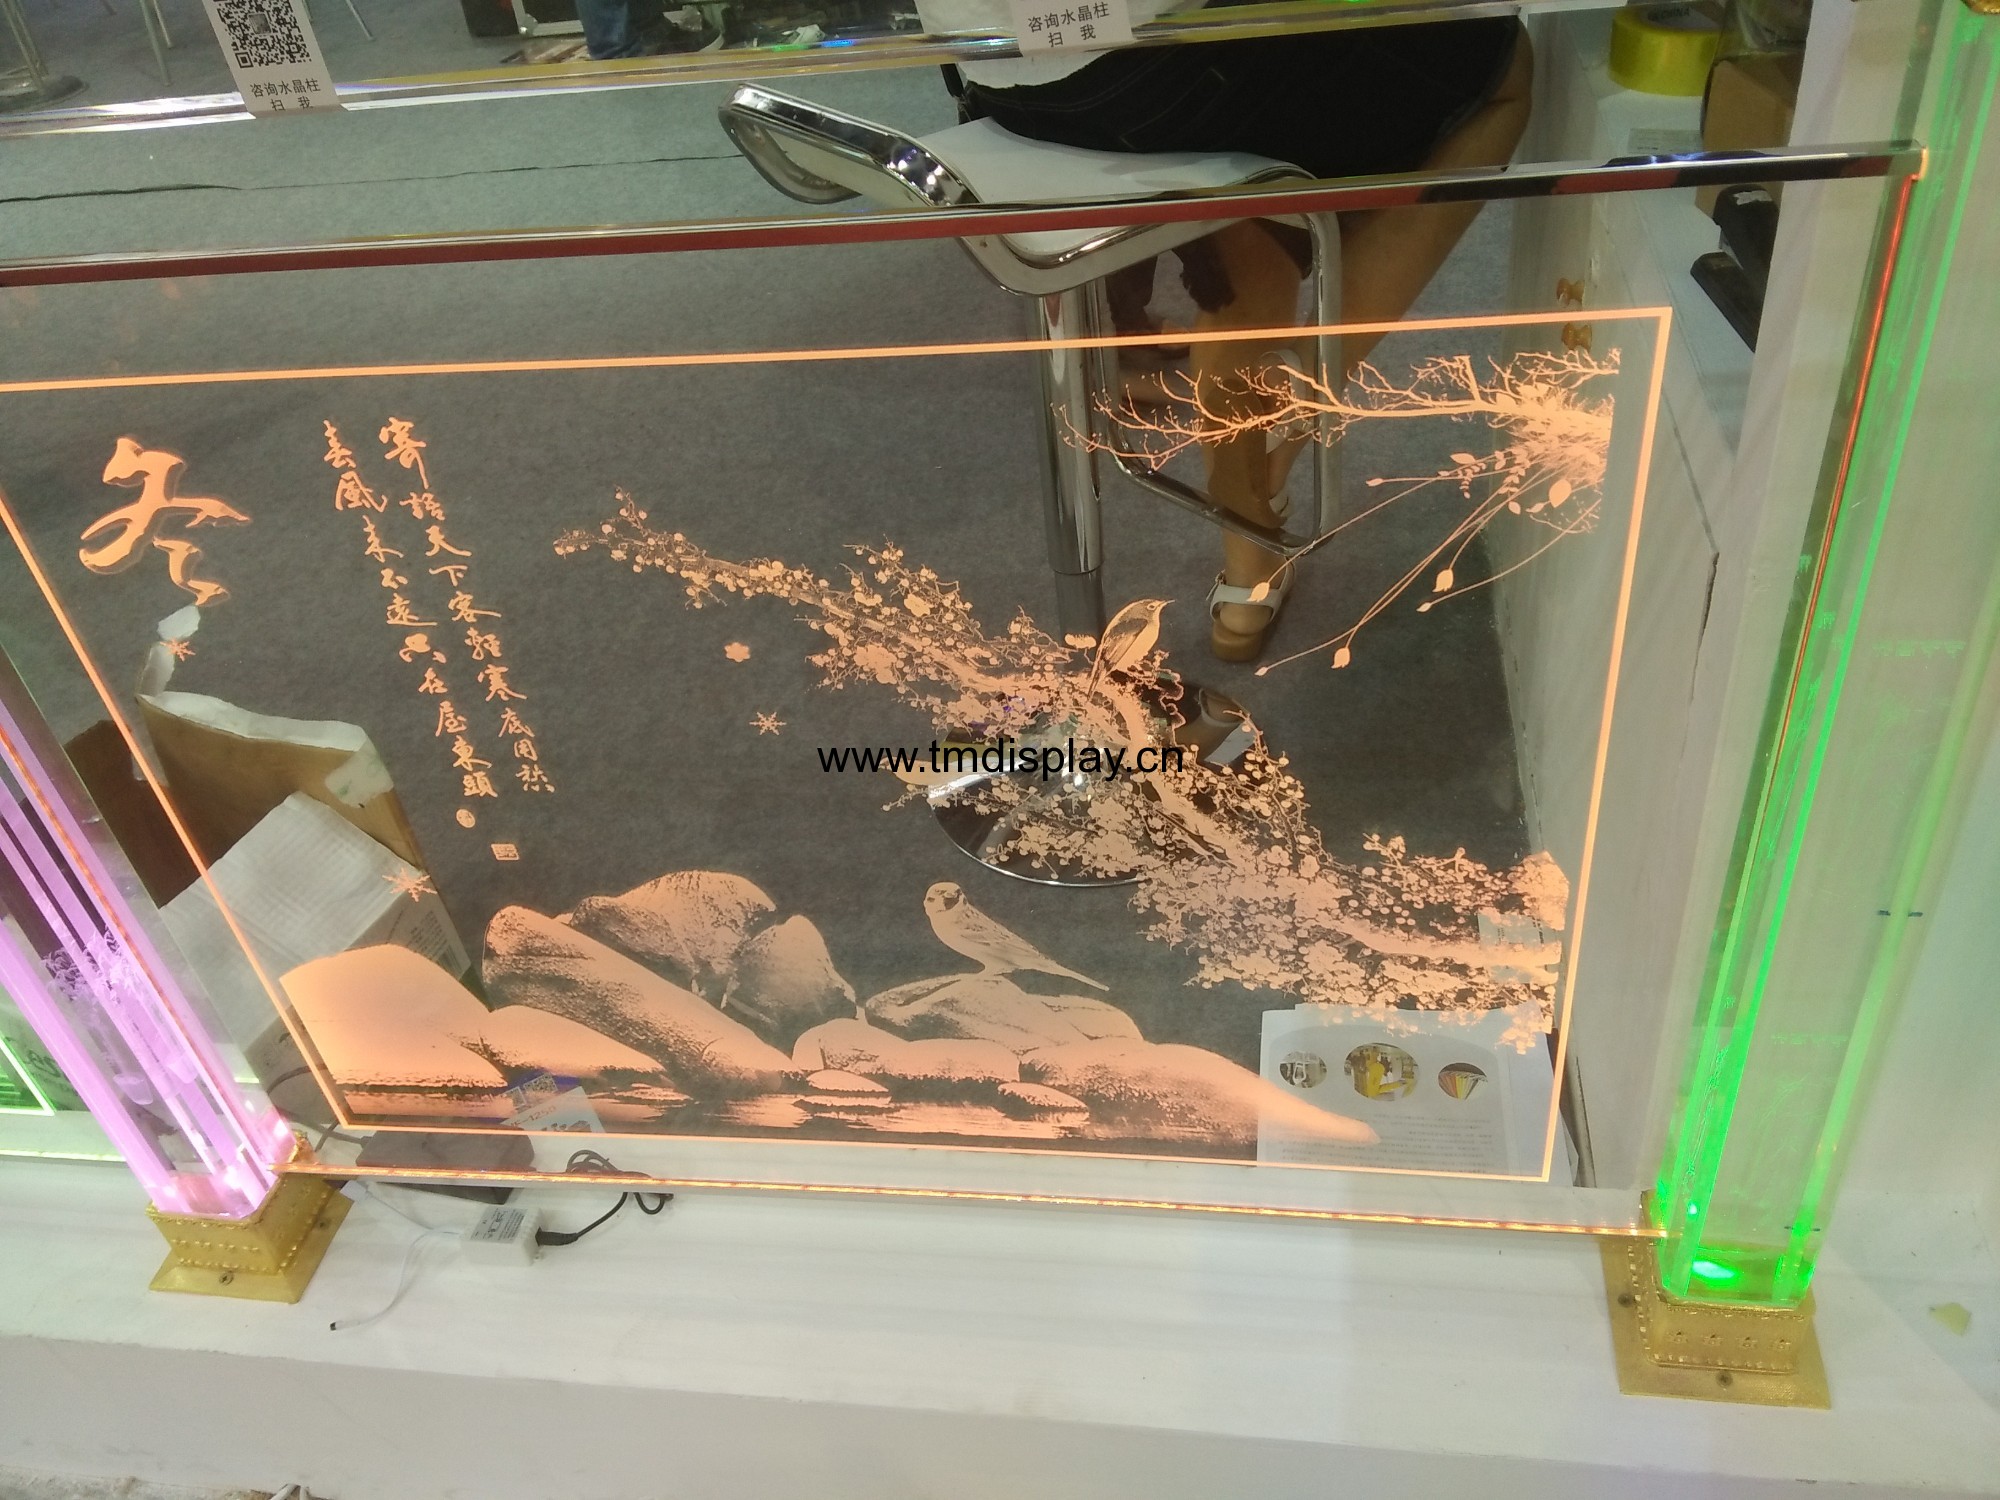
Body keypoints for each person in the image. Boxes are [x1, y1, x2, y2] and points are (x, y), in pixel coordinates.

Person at [929, 3, 1533, 660]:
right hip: (1157, 68)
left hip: (990, 74)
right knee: (1503, 63)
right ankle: (1294, 401)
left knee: (1249, 157)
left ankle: (1248, 533)